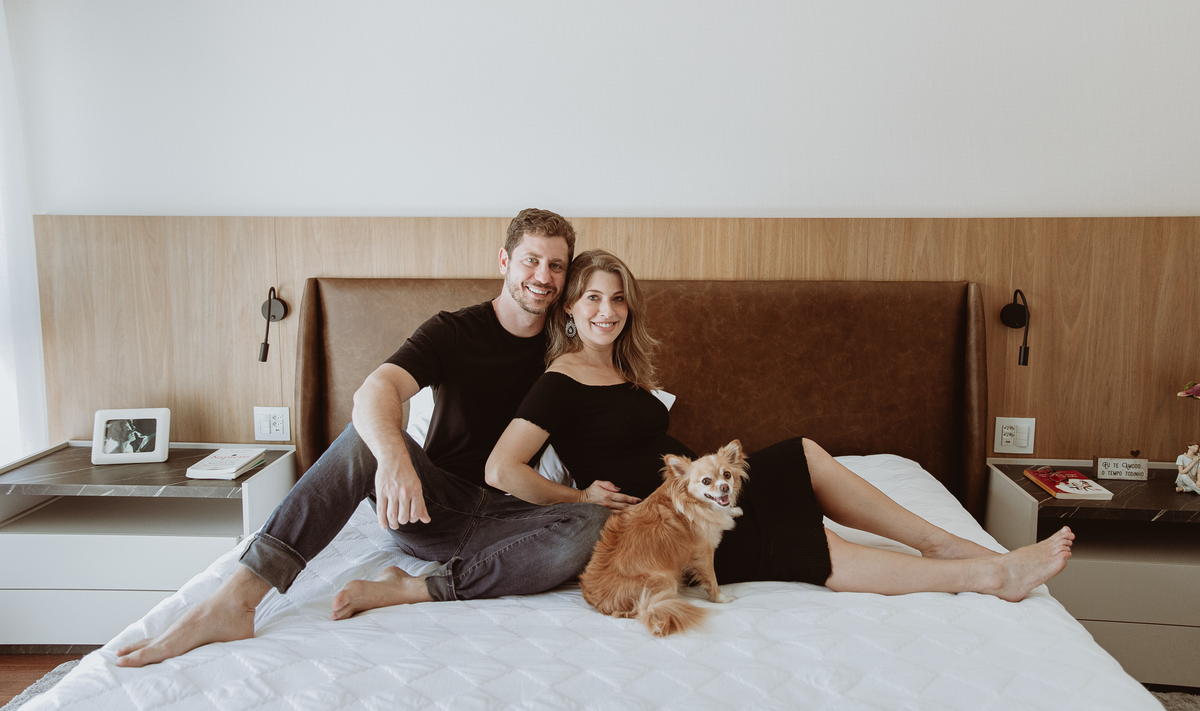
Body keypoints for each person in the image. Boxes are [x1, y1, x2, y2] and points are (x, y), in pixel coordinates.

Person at [117, 209, 611, 667]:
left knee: (594, 524)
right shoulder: (454, 331)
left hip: (513, 522)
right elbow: (376, 390)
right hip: (430, 508)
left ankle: (414, 588)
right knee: (363, 437)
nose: (543, 276)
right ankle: (235, 600)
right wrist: (394, 461)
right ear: (504, 261)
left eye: (556, 266)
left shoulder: (571, 347)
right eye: (530, 260)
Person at [486, 249, 1075, 601]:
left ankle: (940, 543)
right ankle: (989, 575)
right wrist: (579, 498)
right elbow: (501, 468)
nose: (607, 311)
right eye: (592, 298)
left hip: (705, 495)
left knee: (804, 455)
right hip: (675, 523)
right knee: (816, 542)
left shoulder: (621, 370)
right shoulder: (560, 378)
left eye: (617, 299)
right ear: (569, 307)